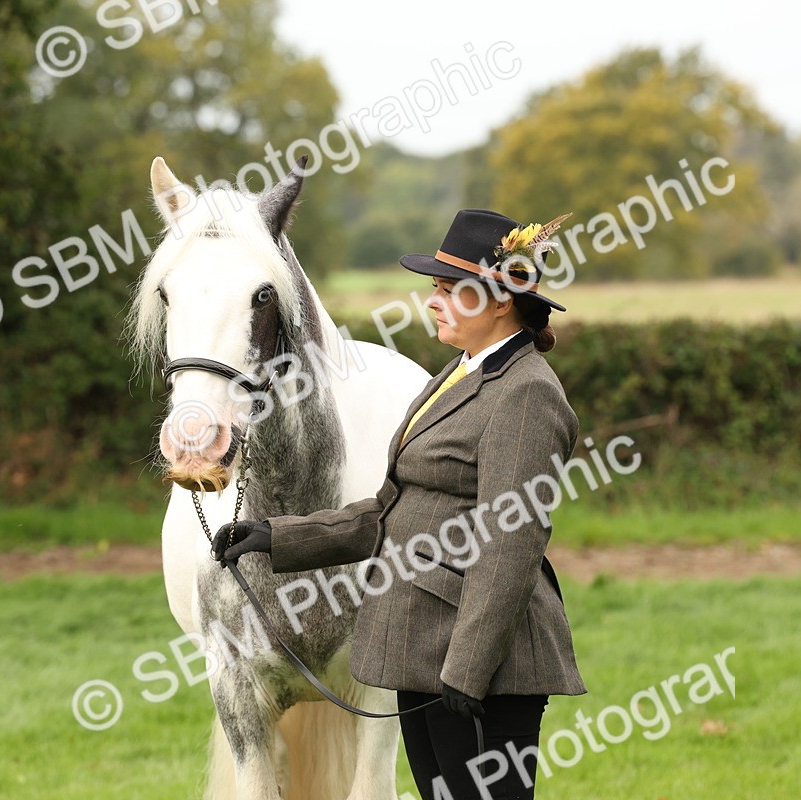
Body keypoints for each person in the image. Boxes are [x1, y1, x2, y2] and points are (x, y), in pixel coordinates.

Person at [212, 208, 586, 800]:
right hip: (423, 650)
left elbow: (510, 541)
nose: (432, 302)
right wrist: (279, 536)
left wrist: (468, 668)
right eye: (433, 288)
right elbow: (388, 510)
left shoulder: (526, 394)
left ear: (497, 302)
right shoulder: (456, 375)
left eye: (447, 290)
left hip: (485, 666)